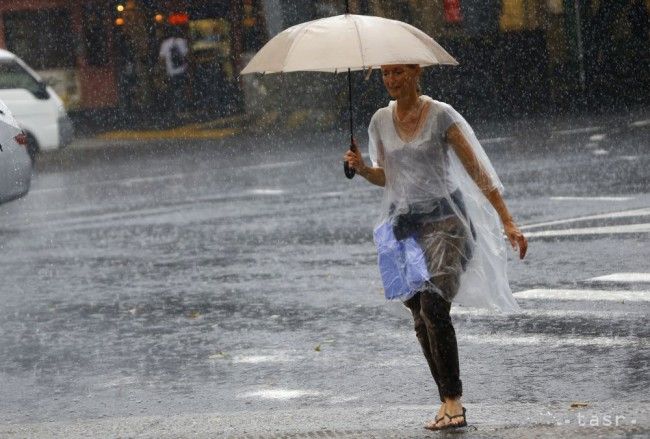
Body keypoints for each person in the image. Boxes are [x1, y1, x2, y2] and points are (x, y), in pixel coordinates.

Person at [344, 64, 528, 431]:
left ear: (415, 72)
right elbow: (387, 176)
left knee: (434, 305)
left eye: (397, 73)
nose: (391, 81)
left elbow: (477, 170)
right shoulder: (379, 120)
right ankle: (445, 400)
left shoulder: (440, 115)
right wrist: (363, 168)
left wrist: (507, 219)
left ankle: (453, 401)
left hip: (447, 221)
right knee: (419, 316)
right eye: (385, 74)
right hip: (404, 226)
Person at [159, 26, 190, 114]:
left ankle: (176, 110)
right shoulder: (181, 41)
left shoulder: (164, 44)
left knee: (173, 91)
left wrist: (162, 71)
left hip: (171, 72)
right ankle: (184, 109)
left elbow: (161, 59)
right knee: (183, 90)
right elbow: (186, 56)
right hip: (182, 70)